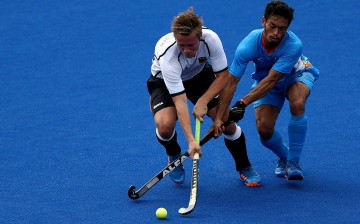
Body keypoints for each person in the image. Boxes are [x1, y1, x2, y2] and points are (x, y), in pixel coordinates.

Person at [147, 7, 261, 187]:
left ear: (199, 37)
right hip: (164, 83)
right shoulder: (168, 57)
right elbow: (180, 102)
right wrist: (191, 141)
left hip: (199, 77)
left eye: (190, 45)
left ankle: (244, 167)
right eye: (181, 44)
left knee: (226, 124)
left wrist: (203, 101)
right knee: (165, 127)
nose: (185, 49)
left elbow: (223, 76)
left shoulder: (211, 39)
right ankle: (174, 154)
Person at [210, 1, 319, 180]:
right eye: (272, 26)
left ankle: (293, 162)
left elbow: (272, 80)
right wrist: (220, 117)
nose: (276, 33)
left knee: (297, 103)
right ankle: (285, 156)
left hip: (296, 76)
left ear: (287, 28)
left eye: (282, 29)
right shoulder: (248, 45)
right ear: (263, 21)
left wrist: (242, 103)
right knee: (264, 130)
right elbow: (231, 83)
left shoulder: (294, 45)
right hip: (268, 82)